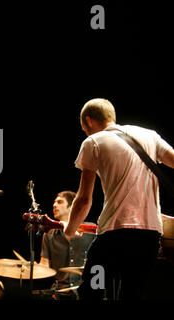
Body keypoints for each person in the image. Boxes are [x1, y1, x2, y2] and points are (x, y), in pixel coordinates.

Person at [64, 98, 174, 300]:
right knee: (133, 293)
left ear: (88, 121)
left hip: (114, 234)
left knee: (92, 291)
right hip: (149, 236)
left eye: (84, 128)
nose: (86, 133)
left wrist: (69, 230)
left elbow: (83, 200)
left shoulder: (93, 142)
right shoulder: (149, 135)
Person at [39, 191, 96, 296]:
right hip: (60, 290)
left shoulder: (91, 230)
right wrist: (26, 268)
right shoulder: (48, 234)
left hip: (86, 288)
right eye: (54, 202)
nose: (54, 205)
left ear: (72, 206)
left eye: (59, 202)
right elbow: (44, 265)